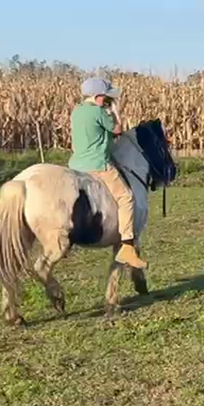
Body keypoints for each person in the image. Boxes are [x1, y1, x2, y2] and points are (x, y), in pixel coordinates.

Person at [69, 77, 147, 269]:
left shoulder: (77, 111)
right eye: (105, 97)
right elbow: (118, 131)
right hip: (97, 163)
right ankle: (128, 246)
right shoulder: (99, 112)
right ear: (97, 96)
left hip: (76, 164)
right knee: (126, 197)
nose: (106, 100)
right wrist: (115, 113)